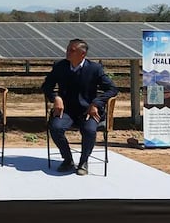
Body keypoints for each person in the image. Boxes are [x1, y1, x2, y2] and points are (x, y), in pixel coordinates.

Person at [41, 38, 118, 176]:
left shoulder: (95, 68)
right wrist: (56, 98)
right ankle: (68, 159)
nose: (67, 52)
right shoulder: (60, 66)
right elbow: (46, 86)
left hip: (88, 111)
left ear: (82, 54)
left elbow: (112, 89)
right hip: (66, 111)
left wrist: (96, 103)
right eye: (67, 49)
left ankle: (83, 161)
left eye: (72, 50)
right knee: (56, 127)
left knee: (89, 130)